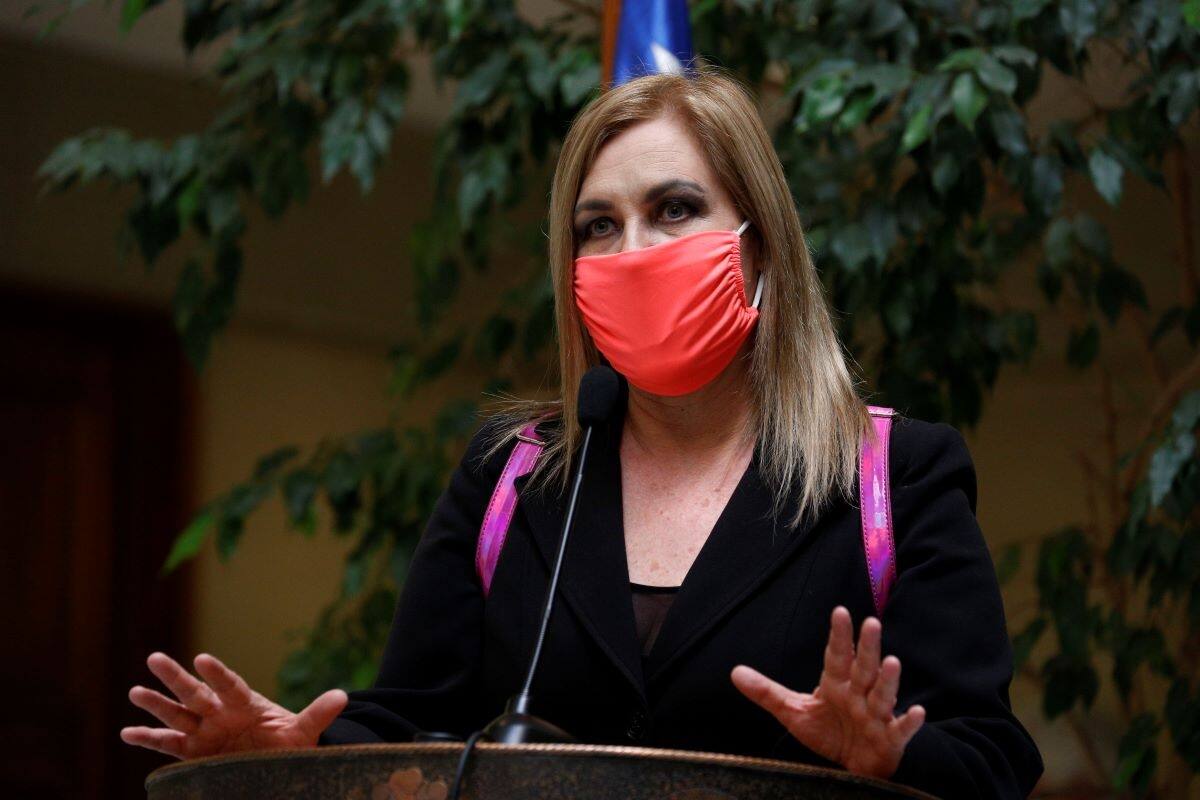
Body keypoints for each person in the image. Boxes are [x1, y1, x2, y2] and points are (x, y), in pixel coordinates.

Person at [121, 68, 1045, 799]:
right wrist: (302, 750)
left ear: (759, 245)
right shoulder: (512, 475)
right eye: (599, 225)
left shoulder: (894, 475)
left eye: (674, 209)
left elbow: (994, 760)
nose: (631, 252)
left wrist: (891, 758)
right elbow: (414, 725)